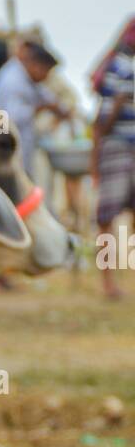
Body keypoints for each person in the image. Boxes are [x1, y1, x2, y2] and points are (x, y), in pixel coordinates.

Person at [90, 16, 135, 300]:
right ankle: (108, 283)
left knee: (110, 217)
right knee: (106, 216)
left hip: (120, 147)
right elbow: (111, 108)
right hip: (120, 148)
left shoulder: (115, 64)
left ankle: (111, 281)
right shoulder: (122, 66)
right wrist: (100, 139)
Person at [0, 40, 70, 180]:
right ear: (37, 66)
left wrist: (59, 108)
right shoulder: (12, 80)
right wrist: (39, 109)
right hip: (4, 143)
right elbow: (10, 116)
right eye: (47, 72)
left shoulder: (28, 78)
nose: (47, 77)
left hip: (20, 150)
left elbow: (46, 96)